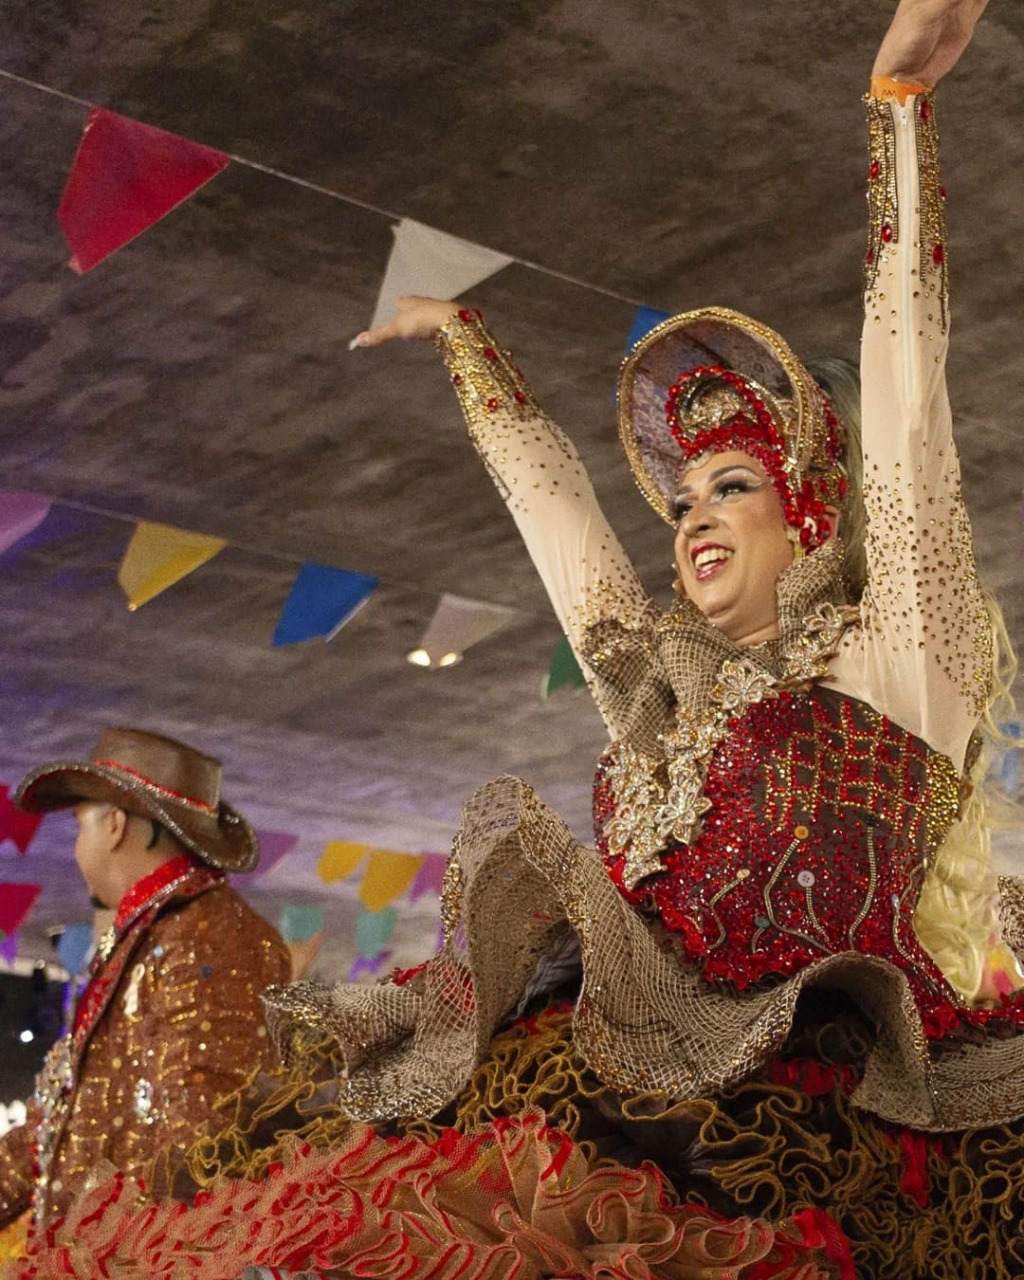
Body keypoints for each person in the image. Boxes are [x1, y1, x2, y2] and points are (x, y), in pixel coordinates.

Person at [11, 1, 1024, 1276]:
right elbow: (571, 548)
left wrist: (897, 115)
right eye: (682, 500)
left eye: (730, 487)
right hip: (603, 1101)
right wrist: (467, 350)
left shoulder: (898, 660)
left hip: (804, 1150)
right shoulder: (666, 698)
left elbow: (905, 399)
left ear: (809, 512)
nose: (690, 520)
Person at [0, 728, 290, 1247]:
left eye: (77, 827)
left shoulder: (213, 938)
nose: (75, 848)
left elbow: (202, 1139)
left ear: (113, 825)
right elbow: (64, 1122)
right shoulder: (149, 935)